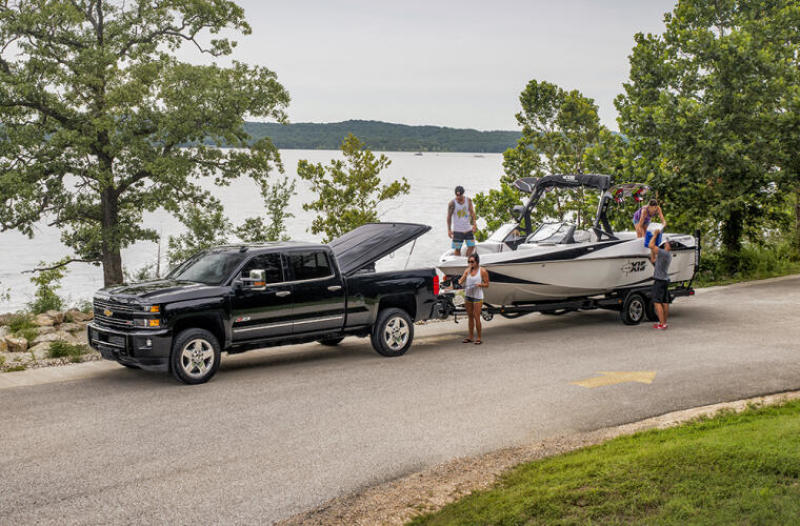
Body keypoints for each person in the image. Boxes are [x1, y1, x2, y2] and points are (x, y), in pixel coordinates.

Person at [458, 253, 489, 344]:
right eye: (469, 262)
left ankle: (479, 338)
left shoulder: (482, 271)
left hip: (477, 297)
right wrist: (456, 283)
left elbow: (487, 284)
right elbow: (461, 280)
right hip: (468, 296)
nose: (470, 263)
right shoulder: (467, 270)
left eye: (472, 262)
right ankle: (470, 337)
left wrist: (480, 285)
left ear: (477, 262)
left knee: (476, 316)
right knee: (470, 317)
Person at [649, 229, 672, 330]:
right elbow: (653, 259)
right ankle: (664, 323)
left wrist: (654, 235)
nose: (666, 244)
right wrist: (653, 250)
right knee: (665, 302)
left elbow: (650, 245)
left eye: (667, 243)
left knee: (657, 302)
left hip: (659, 281)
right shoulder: (666, 256)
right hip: (664, 280)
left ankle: (662, 324)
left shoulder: (664, 253)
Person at [447, 185, 477, 257]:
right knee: (457, 249)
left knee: (471, 246)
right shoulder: (452, 203)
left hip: (468, 230)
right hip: (457, 231)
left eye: (460, 195)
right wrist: (449, 230)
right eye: (457, 195)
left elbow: (472, 213)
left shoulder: (468, 201)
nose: (458, 197)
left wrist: (474, 224)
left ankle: (467, 260)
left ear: (463, 194)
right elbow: (449, 217)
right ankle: (458, 261)